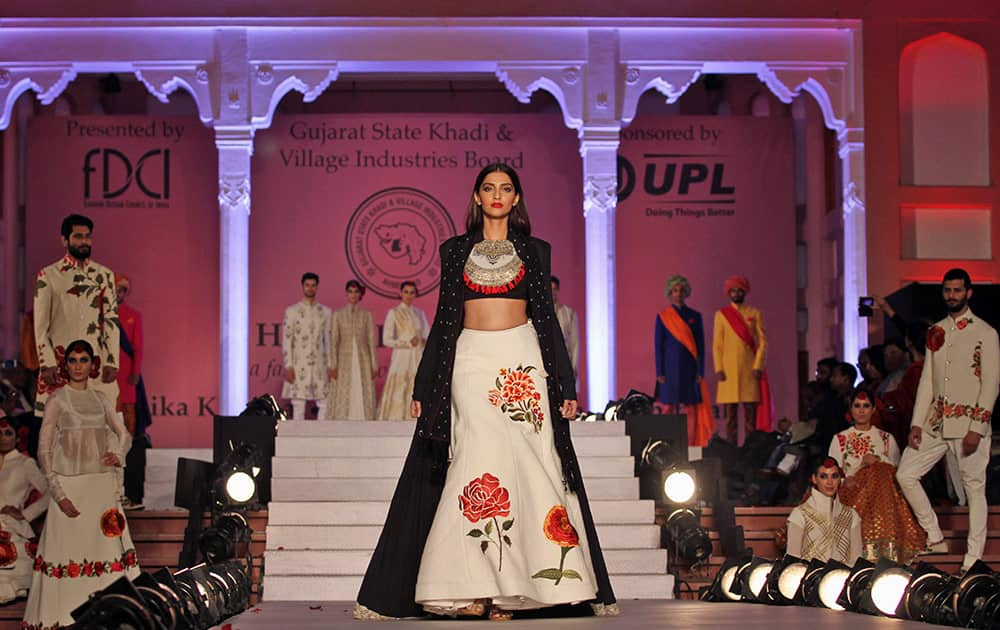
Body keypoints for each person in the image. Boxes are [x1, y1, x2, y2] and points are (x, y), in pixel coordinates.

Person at [355, 163, 616, 620]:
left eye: (506, 188)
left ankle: (519, 589)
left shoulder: (534, 251)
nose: (497, 195)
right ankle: (471, 586)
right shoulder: (455, 251)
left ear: (516, 198)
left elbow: (547, 319)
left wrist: (567, 384)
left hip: (522, 362)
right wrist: (423, 381)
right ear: (477, 197)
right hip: (471, 362)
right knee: (474, 462)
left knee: (531, 465)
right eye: (489, 188)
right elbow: (444, 319)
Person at [22, 339, 139, 629]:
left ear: (92, 365)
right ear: (66, 365)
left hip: (99, 488)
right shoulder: (58, 399)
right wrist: (58, 493)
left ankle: (112, 618)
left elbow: (124, 434)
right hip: (70, 487)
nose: (78, 366)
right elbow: (44, 449)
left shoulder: (100, 398)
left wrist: (118, 454)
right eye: (72, 360)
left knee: (104, 552)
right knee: (67, 553)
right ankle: (61, 620)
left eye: (83, 360)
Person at [896, 268, 1000, 573]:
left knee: (974, 488)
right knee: (906, 474)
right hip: (937, 421)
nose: (951, 296)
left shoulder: (986, 333)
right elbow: (928, 380)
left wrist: (978, 428)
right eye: (947, 290)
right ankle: (934, 535)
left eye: (957, 290)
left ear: (968, 293)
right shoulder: (936, 331)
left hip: (968, 423)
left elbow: (991, 384)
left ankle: (973, 557)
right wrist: (917, 423)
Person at [33, 214, 119, 417]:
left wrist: (112, 361)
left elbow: (111, 320)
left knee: (99, 429)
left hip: (95, 364)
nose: (84, 242)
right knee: (58, 430)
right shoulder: (49, 275)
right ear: (64, 240)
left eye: (88, 237)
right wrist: (47, 363)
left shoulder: (104, 275)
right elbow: (40, 325)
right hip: (59, 364)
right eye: (78, 236)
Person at [830, 388, 925, 563]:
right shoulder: (840, 439)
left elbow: (897, 471)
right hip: (853, 491)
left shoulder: (886, 438)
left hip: (883, 494)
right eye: (857, 406)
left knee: (880, 472)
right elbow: (833, 474)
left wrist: (877, 460)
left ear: (874, 409)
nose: (861, 410)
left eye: (866, 406)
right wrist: (852, 474)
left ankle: (887, 545)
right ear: (850, 409)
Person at [654, 274, 712, 446]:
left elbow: (701, 346)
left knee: (689, 408)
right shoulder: (663, 317)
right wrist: (660, 372)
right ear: (670, 293)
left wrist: (700, 371)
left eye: (681, 290)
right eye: (675, 290)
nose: (678, 294)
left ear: (686, 293)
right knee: (668, 407)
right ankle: (666, 442)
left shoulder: (695, 316)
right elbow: (659, 346)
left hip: (689, 369)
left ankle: (690, 443)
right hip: (669, 369)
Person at [713, 275, 771, 444]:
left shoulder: (754, 313)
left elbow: (762, 342)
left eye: (739, 290)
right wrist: (719, 368)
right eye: (733, 290)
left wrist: (758, 366)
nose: (736, 293)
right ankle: (731, 449)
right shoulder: (721, 315)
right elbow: (717, 344)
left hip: (750, 371)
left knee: (750, 417)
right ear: (728, 293)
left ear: (744, 292)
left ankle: (749, 448)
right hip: (728, 372)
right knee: (730, 417)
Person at [0, 418, 49, 603]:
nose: (3, 438)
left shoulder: (24, 463)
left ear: (17, 438)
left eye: (8, 433)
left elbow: (51, 493)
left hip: (11, 527)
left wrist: (26, 514)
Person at [115, 274, 151, 510]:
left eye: (124, 290)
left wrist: (135, 372)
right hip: (104, 380)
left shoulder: (132, 316)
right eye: (118, 289)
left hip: (127, 380)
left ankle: (126, 491)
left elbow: (138, 346)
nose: (120, 293)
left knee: (128, 433)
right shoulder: (99, 316)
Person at [785, 458, 862, 564]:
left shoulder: (851, 515)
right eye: (823, 476)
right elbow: (793, 560)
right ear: (814, 479)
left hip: (842, 577)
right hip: (809, 577)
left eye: (834, 476)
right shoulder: (800, 514)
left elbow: (856, 558)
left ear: (840, 479)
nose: (830, 482)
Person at [282, 272, 333, 420]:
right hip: (299, 361)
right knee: (298, 401)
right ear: (302, 286)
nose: (310, 288)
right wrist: (288, 365)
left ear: (317, 287)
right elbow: (287, 339)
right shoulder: (292, 311)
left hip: (319, 362)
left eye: (313, 285)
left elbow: (328, 340)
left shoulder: (325, 312)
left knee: (324, 401)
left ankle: (321, 435)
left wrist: (330, 364)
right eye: (307, 285)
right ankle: (298, 437)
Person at [377, 281, 430, 421]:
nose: (409, 295)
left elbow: (427, 333)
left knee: (417, 382)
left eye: (412, 292)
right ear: (400, 293)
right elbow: (386, 340)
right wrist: (406, 342)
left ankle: (415, 415)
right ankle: (396, 416)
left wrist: (425, 340)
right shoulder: (394, 313)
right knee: (400, 383)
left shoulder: (420, 313)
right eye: (406, 292)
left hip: (417, 355)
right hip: (402, 355)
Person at [326, 280, 378, 420]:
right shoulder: (338, 314)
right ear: (346, 294)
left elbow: (371, 341)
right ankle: (343, 417)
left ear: (360, 294)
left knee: (362, 386)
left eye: (356, 292)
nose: (353, 295)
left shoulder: (366, 315)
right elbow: (334, 341)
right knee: (344, 387)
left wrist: (374, 364)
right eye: (350, 291)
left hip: (363, 357)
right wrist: (333, 364)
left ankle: (362, 417)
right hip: (344, 357)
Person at [551, 276, 580, 378]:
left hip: (564, 361)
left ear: (558, 290)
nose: (552, 292)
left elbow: (574, 343)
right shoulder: (540, 314)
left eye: (554, 289)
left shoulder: (569, 313)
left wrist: (573, 366)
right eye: (550, 289)